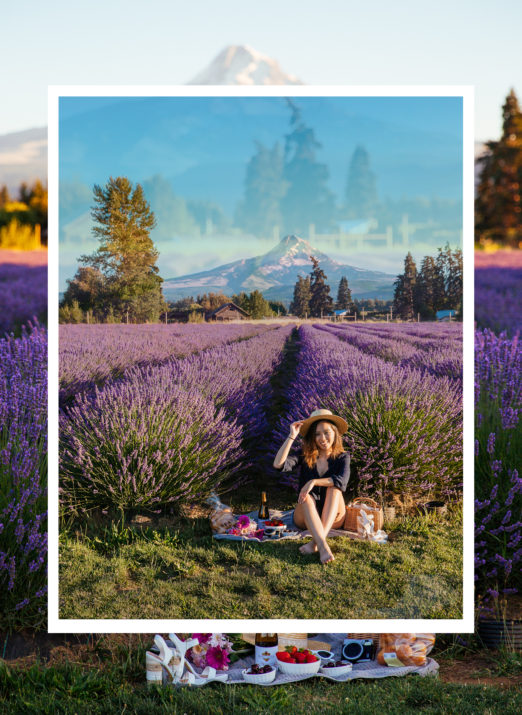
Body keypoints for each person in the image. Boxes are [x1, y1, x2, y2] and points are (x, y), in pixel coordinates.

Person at [273, 409, 350, 564]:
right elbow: (278, 465)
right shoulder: (305, 454)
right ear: (312, 438)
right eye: (317, 434)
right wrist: (291, 437)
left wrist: (313, 481)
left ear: (335, 433)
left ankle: (315, 543)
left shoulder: (343, 457)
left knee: (335, 489)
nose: (322, 438)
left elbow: (342, 481)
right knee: (306, 497)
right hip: (305, 517)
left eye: (326, 432)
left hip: (334, 516)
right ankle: (322, 546)